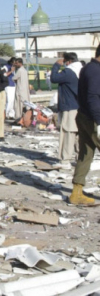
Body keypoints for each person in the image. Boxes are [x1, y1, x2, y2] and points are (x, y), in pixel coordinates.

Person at [69, 44, 100, 205]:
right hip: (93, 119)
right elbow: (93, 97)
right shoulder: (95, 71)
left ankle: (76, 193)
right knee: (85, 154)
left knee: (85, 154)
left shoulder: (88, 68)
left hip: (84, 116)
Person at [51, 52, 81, 163]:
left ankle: (65, 159)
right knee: (78, 134)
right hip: (79, 106)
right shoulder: (81, 69)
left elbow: (54, 78)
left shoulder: (69, 72)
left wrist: (56, 65)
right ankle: (80, 158)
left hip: (69, 106)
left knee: (68, 133)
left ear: (68, 61)